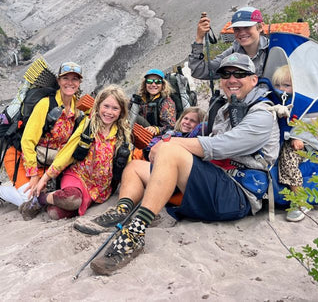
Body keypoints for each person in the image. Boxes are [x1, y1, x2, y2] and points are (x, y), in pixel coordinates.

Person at [83, 53, 280, 275]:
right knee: (135, 167)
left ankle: (135, 231)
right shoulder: (228, 107)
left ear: (254, 79)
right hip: (214, 181)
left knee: (169, 150)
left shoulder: (262, 113)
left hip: (237, 193)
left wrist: (171, 142)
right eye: (226, 73)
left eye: (239, 74)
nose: (232, 79)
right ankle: (123, 209)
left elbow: (224, 146)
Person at [21, 85, 131, 220]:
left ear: (121, 111)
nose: (109, 112)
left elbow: (126, 162)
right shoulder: (88, 126)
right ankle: (41, 199)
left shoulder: (122, 134)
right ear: (98, 106)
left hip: (100, 189)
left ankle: (56, 201)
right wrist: (45, 178)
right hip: (78, 177)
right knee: (71, 199)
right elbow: (66, 153)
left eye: (115, 108)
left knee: (55, 213)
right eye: (106, 106)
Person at [0, 62, 84, 215]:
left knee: (39, 198)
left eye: (75, 79)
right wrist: (33, 175)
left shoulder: (77, 111)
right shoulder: (45, 104)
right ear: (59, 81)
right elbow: (27, 141)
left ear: (79, 83)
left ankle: (18, 185)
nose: (70, 83)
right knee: (27, 199)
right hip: (21, 156)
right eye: (66, 78)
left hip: (45, 162)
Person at [188, 6, 318, 78]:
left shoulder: (279, 49)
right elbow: (200, 71)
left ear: (260, 27)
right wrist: (199, 39)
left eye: (247, 27)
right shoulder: (233, 53)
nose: (241, 32)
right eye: (237, 29)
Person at [271, 64, 310, 222]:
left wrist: (299, 136)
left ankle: (299, 199)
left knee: (288, 159)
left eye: (287, 85)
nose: (281, 89)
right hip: (279, 139)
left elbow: (310, 123)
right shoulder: (275, 98)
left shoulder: (302, 101)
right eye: (278, 85)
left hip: (300, 143)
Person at [132, 69, 176, 136]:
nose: (153, 84)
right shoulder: (140, 98)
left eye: (158, 82)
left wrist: (156, 129)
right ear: (145, 84)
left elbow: (170, 127)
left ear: (163, 84)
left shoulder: (166, 102)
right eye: (149, 81)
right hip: (140, 133)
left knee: (136, 117)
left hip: (157, 137)